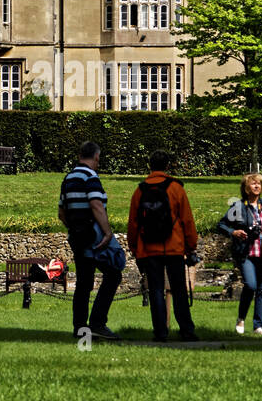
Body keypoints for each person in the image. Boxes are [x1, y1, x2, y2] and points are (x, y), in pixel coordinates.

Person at [127, 150, 200, 342]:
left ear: (150, 166)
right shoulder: (176, 188)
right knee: (179, 290)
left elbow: (133, 222)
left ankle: (160, 331)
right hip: (173, 246)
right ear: (168, 166)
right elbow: (187, 220)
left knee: (156, 291)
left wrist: (134, 247)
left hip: (149, 247)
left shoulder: (140, 190)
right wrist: (191, 245)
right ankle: (186, 330)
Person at [58, 141, 120, 340]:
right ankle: (98, 323)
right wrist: (107, 232)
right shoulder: (90, 176)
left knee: (84, 283)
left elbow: (61, 213)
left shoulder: (68, 178)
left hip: (77, 237)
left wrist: (74, 229)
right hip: (94, 238)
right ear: (96, 157)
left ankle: (80, 328)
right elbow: (96, 205)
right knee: (113, 274)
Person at [216, 173, 262, 336]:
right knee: (251, 285)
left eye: (259, 183)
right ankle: (241, 318)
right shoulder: (238, 207)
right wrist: (233, 232)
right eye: (253, 184)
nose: (257, 186)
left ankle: (258, 326)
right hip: (246, 253)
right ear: (245, 188)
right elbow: (221, 225)